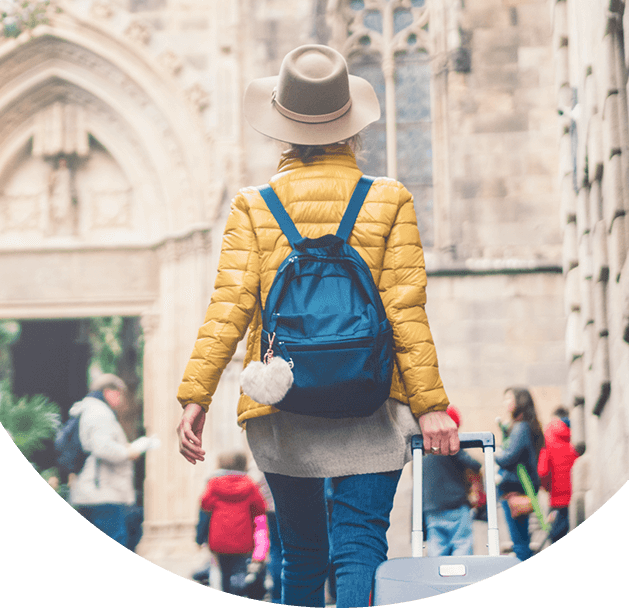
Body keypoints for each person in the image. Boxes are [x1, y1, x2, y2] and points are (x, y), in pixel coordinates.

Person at [177, 44, 459, 608]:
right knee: (359, 546)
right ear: (351, 128)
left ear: (282, 130)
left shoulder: (253, 206)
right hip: (374, 403)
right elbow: (406, 308)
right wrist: (431, 405)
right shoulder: (388, 199)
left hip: (285, 403)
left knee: (300, 552)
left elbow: (228, 306)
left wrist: (196, 395)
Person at [68, 374, 156, 547]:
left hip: (90, 491)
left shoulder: (87, 410)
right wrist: (129, 452)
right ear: (109, 392)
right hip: (103, 493)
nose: (121, 399)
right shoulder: (100, 413)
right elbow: (103, 448)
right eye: (120, 393)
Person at [199, 451, 267, 597]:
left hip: (219, 539)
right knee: (240, 571)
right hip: (243, 538)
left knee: (224, 572)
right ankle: (239, 592)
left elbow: (205, 504)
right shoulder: (249, 484)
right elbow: (260, 507)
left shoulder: (213, 483)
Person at [422, 405, 481, 557]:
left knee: (437, 547)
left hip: (431, 507)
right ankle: (462, 580)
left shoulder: (426, 448)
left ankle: (438, 578)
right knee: (462, 545)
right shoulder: (449, 443)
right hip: (455, 504)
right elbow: (474, 464)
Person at [495, 386, 544, 562]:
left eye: (509, 398)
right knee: (522, 539)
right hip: (520, 490)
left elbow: (509, 457)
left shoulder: (521, 427)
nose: (506, 403)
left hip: (514, 491)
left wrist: (494, 454)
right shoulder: (525, 426)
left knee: (520, 542)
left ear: (520, 401)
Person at [537, 406, 579, 544]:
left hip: (557, 499)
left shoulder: (548, 434)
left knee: (555, 536)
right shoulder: (575, 434)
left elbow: (543, 470)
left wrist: (546, 487)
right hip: (575, 494)